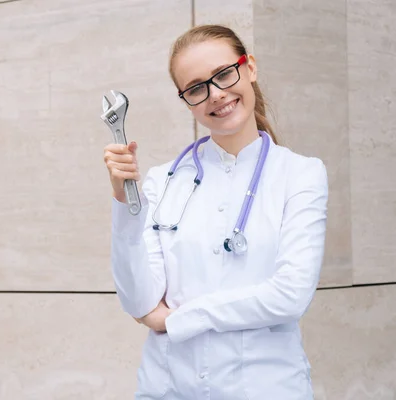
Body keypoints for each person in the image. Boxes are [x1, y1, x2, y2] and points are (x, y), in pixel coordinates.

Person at [103, 24, 328, 400]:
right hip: (167, 387)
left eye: (224, 74)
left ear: (250, 68)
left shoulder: (301, 174)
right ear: (186, 100)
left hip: (265, 388)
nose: (216, 94)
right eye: (196, 88)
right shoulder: (162, 182)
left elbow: (290, 296)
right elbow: (139, 301)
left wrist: (178, 320)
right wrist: (126, 202)